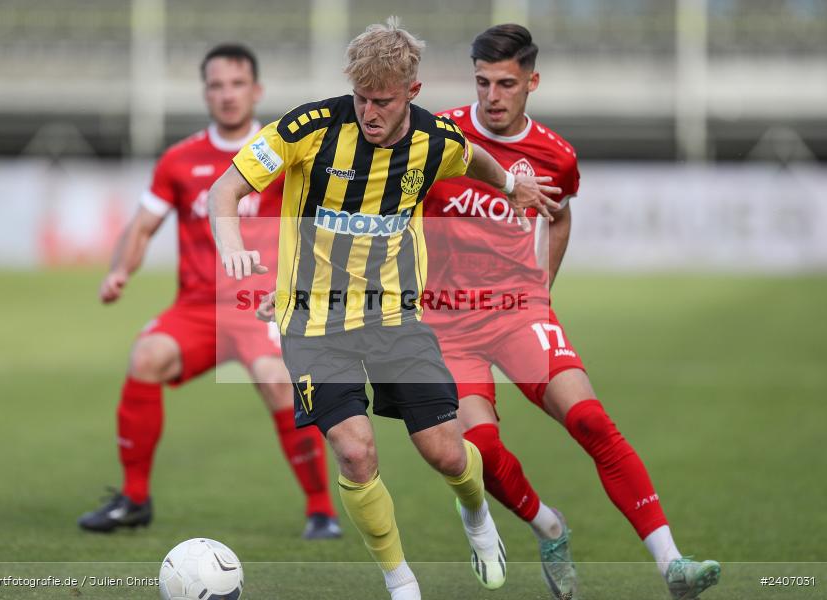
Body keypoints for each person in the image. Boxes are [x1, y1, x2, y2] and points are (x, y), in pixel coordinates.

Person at [208, 17, 564, 600]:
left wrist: (509, 187)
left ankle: (476, 513)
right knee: (355, 449)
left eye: (383, 101)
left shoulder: (433, 141)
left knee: (447, 453)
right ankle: (401, 582)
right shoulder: (309, 127)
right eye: (362, 99)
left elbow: (472, 158)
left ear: (412, 94)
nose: (370, 112)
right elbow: (225, 189)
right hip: (312, 324)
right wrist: (232, 249)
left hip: (395, 319)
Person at [421, 24, 721, 600]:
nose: (492, 96)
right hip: (446, 324)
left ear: (532, 81)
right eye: (482, 82)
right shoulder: (441, 138)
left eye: (506, 84)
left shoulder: (556, 156)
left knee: (590, 421)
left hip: (516, 313)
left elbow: (558, 214)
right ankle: (548, 526)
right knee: (480, 451)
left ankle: (673, 564)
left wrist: (541, 287)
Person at [77, 43, 341, 540]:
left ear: (256, 90)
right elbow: (140, 228)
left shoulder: (283, 152)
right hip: (198, 309)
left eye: (237, 84)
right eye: (217, 85)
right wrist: (119, 272)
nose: (227, 95)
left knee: (277, 381)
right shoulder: (180, 160)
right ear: (205, 93)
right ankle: (134, 500)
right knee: (146, 356)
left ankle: (320, 510)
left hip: (261, 307)